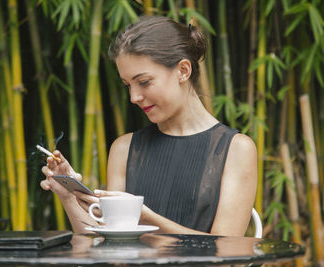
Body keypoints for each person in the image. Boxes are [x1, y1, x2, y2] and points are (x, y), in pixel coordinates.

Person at [40, 16, 257, 237]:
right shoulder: (124, 149)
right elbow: (103, 246)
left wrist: (145, 217)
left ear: (183, 70)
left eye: (143, 82)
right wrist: (69, 196)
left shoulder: (236, 149)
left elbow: (229, 253)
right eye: (127, 85)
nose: (133, 97)